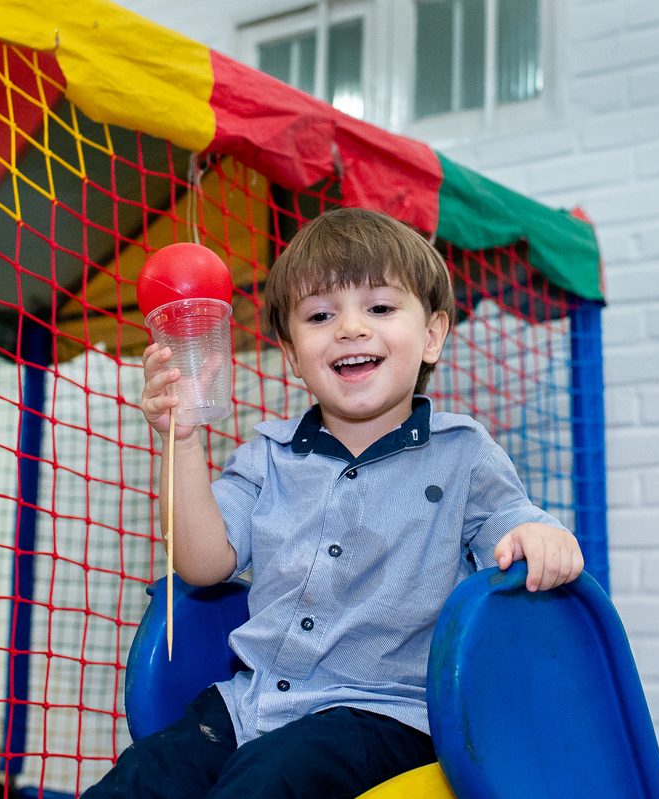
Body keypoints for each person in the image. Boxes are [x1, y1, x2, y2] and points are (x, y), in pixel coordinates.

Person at [83, 207, 584, 799]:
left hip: (386, 717)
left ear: (432, 336)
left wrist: (541, 534)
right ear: (293, 356)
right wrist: (181, 438)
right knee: (141, 779)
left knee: (265, 782)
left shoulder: (462, 453)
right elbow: (202, 563)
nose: (350, 328)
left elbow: (511, 520)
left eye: (379, 307)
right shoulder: (266, 457)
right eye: (320, 315)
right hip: (250, 706)